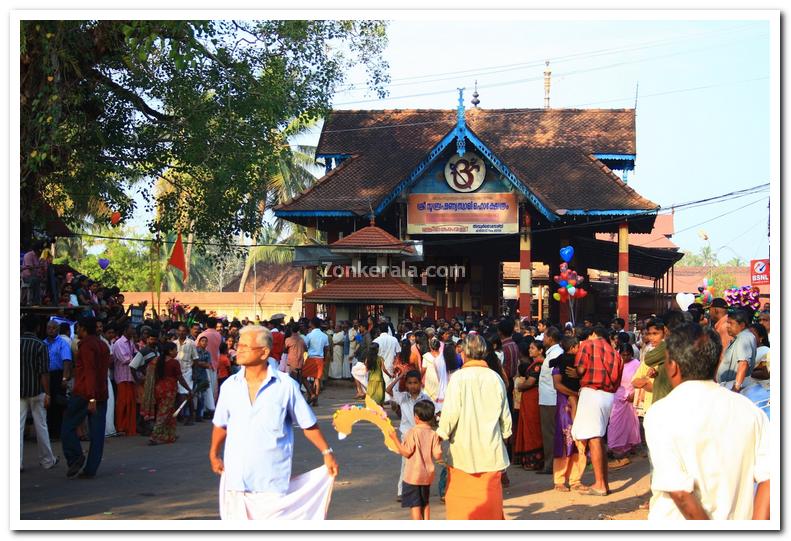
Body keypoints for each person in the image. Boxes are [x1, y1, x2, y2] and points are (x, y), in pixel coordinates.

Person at [209, 325, 339, 520]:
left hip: (271, 481)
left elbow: (308, 424)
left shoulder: (286, 386)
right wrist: (214, 453)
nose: (239, 349)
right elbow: (221, 424)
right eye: (239, 345)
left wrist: (327, 453)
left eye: (246, 346)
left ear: (264, 352)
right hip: (235, 481)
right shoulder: (229, 386)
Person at [644, 322, 769, 520]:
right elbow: (770, 479)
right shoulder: (750, 411)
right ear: (719, 360)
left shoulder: (661, 413)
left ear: (673, 367)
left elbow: (680, 493)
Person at [437, 334, 512, 520]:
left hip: (463, 453)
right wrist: (506, 434)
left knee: (462, 506)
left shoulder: (458, 378)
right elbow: (505, 417)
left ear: (464, 354)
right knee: (490, 503)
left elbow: (450, 414)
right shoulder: (495, 378)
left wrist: (440, 435)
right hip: (490, 453)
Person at [570, 325, 623, 496]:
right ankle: (602, 483)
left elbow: (581, 369)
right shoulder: (616, 354)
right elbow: (617, 381)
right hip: (608, 396)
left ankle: (600, 484)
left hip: (592, 392)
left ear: (593, 334)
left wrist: (575, 373)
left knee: (594, 438)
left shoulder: (588, 344)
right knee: (598, 437)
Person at [62, 317, 111, 479]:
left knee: (68, 426)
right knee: (97, 433)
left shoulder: (86, 346)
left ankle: (75, 457)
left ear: (83, 329)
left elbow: (89, 371)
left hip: (85, 393)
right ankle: (91, 468)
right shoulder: (103, 345)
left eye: (78, 328)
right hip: (101, 392)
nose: (77, 331)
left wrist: (91, 398)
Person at [388, 400, 443, 520]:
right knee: (425, 503)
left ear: (416, 417)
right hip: (427, 476)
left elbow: (406, 452)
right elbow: (438, 455)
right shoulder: (434, 434)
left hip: (413, 476)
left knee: (415, 505)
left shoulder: (412, 432)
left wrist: (394, 439)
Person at [387, 370, 431, 503]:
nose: (413, 386)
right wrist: (400, 376)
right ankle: (401, 491)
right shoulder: (403, 397)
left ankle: (419, 489)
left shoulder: (425, 399)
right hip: (406, 435)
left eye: (415, 383)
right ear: (406, 384)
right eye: (410, 383)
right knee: (405, 463)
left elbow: (430, 416)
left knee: (421, 463)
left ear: (420, 383)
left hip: (422, 435)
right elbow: (388, 390)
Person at [21, 314, 58, 471]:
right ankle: (47, 460)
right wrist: (48, 393)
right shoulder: (40, 345)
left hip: (18, 390)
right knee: (41, 425)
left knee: (17, 427)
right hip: (37, 390)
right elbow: (44, 372)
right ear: (38, 328)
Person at [552, 335, 586, 493]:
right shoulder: (559, 366)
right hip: (565, 405)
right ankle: (559, 480)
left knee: (579, 441)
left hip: (577, 402)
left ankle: (575, 479)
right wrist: (574, 393)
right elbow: (557, 385)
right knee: (565, 441)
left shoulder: (579, 364)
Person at [148, 342, 192, 445]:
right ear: (170, 351)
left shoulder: (157, 360)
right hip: (169, 389)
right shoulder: (174, 362)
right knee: (164, 413)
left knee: (167, 411)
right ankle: (154, 436)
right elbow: (180, 378)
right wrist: (188, 389)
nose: (176, 352)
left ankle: (168, 435)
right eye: (175, 350)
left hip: (159, 388)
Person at [607, 343, 642, 464]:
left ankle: (628, 447)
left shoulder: (637, 364)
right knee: (614, 423)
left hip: (631, 397)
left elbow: (641, 380)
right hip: (617, 396)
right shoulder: (616, 363)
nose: (625, 357)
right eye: (623, 355)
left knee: (630, 424)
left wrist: (635, 394)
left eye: (628, 355)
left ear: (631, 354)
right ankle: (614, 446)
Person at [514, 340, 544, 471]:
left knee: (533, 428)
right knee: (529, 426)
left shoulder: (538, 365)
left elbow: (530, 382)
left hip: (533, 397)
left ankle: (535, 460)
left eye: (533, 348)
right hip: (530, 398)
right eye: (530, 348)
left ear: (541, 350)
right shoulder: (535, 364)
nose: (530, 350)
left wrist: (519, 386)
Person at [537, 327, 562, 476]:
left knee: (550, 433)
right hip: (547, 398)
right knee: (549, 433)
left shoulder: (556, 353)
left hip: (551, 399)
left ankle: (551, 464)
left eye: (545, 336)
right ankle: (550, 463)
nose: (543, 339)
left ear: (550, 339)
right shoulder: (551, 353)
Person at [44, 320, 72, 441]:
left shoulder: (62, 343)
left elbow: (67, 361)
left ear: (58, 329)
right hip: (46, 375)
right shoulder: (43, 343)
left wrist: (64, 378)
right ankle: (49, 432)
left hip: (58, 375)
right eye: (49, 328)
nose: (51, 330)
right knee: (47, 404)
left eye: (53, 328)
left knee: (58, 404)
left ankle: (57, 433)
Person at [717, 307, 757, 392]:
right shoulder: (741, 337)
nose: (727, 326)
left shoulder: (743, 338)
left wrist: (736, 388)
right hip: (729, 385)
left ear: (742, 325)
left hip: (732, 387)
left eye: (731, 323)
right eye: (727, 322)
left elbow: (743, 364)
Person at [111, 323, 138, 436]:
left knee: (131, 403)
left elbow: (136, 353)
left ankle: (129, 427)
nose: (133, 330)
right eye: (131, 328)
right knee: (123, 403)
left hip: (130, 377)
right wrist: (139, 358)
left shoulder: (131, 341)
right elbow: (125, 359)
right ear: (126, 330)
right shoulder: (119, 343)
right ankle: (121, 426)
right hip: (122, 377)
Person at [198, 318, 223, 417]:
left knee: (206, 389)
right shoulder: (218, 335)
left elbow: (197, 346)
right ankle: (210, 408)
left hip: (204, 365)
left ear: (206, 324)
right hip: (214, 364)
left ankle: (206, 409)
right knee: (212, 388)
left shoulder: (203, 335)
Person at [174, 324, 198, 425]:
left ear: (187, 332)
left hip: (187, 370)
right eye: (180, 331)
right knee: (179, 394)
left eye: (183, 331)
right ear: (177, 332)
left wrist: (194, 373)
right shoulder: (174, 343)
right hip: (177, 371)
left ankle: (191, 416)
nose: (181, 333)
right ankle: (180, 415)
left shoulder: (191, 343)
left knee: (188, 394)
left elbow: (196, 358)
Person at [303, 317, 329, 406]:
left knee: (303, 377)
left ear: (312, 324)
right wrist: (324, 358)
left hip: (311, 357)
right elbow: (326, 348)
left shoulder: (309, 335)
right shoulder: (324, 335)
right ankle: (316, 400)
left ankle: (311, 393)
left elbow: (305, 347)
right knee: (317, 379)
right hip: (320, 358)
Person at [373, 322, 401, 393]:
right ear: (388, 330)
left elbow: (372, 354)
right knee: (390, 382)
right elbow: (398, 352)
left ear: (379, 330)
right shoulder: (394, 339)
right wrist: (396, 363)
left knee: (381, 382)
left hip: (379, 365)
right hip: (391, 364)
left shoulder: (376, 340)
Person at [421, 337, 448, 412]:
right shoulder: (443, 356)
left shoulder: (426, 356)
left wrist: (419, 379)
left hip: (430, 382)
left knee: (429, 399)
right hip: (441, 381)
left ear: (430, 347)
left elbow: (423, 370)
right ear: (439, 347)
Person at [193, 336, 212, 421]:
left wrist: (198, 363)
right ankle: (187, 415)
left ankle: (199, 415)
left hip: (203, 376)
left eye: (205, 341)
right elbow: (193, 362)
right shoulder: (195, 350)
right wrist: (201, 363)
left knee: (202, 396)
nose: (204, 343)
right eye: (202, 341)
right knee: (191, 394)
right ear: (199, 342)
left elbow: (208, 365)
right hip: (194, 374)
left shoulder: (207, 353)